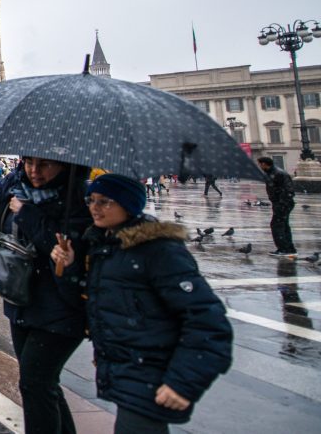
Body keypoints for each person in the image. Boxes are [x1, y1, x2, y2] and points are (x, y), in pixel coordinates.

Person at [51, 174, 232, 434]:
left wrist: (183, 382)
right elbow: (92, 301)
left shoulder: (159, 251)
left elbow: (209, 322)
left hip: (150, 374)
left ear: (128, 204)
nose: (94, 208)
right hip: (126, 369)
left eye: (104, 202)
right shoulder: (106, 246)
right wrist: (68, 267)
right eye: (91, 200)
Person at [0, 156, 92, 434]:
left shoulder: (80, 195)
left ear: (64, 164)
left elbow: (61, 247)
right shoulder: (13, 182)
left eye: (45, 164)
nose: (34, 171)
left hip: (63, 303)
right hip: (20, 296)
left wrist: (27, 213)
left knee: (35, 383)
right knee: (44, 383)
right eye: (29, 162)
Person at [258, 156, 296, 256]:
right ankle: (289, 248)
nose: (260, 166)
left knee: (277, 225)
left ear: (264, 164)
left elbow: (289, 190)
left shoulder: (278, 173)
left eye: (260, 164)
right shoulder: (271, 173)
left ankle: (283, 249)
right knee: (284, 225)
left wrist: (281, 203)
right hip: (281, 203)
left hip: (283, 203)